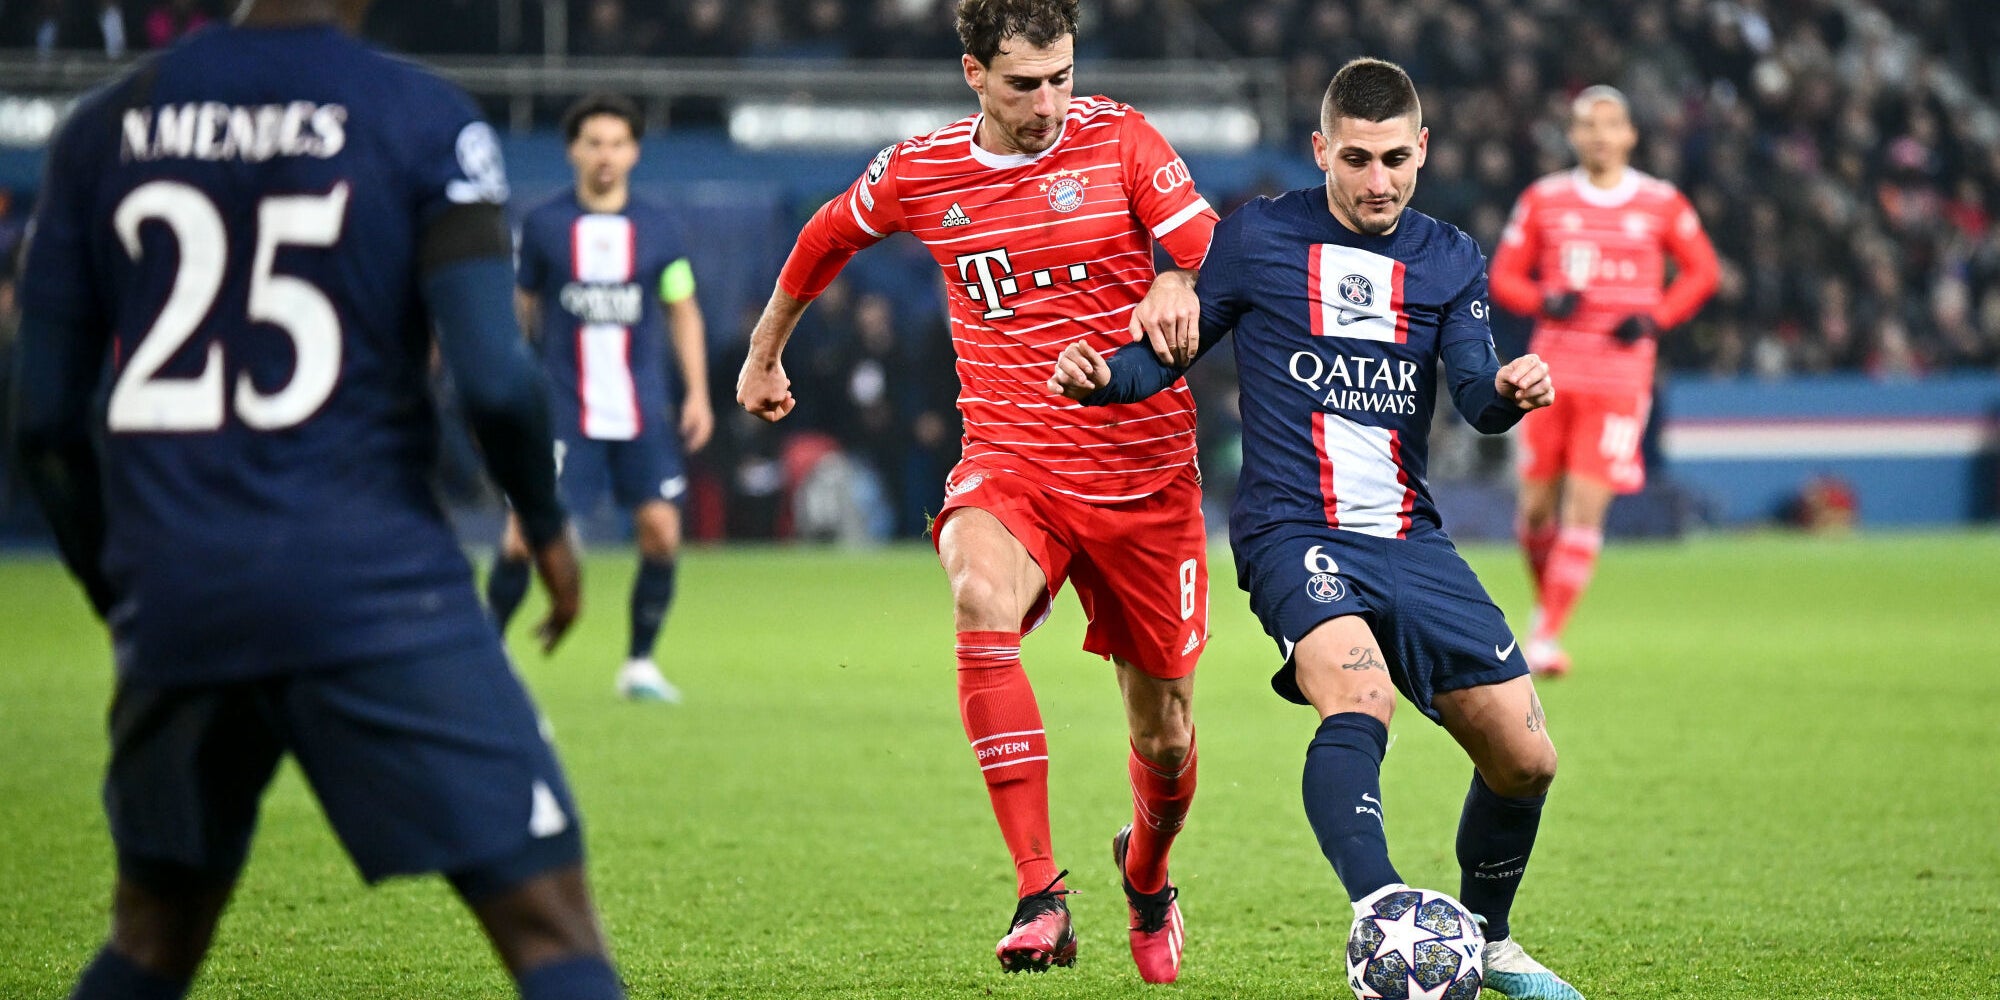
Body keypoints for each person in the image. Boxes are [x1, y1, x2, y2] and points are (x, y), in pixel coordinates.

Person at [8, 3, 625, 998]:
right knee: (551, 927)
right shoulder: (421, 118)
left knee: (152, 936)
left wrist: (126, 589)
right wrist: (545, 526)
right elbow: (498, 381)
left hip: (180, 593)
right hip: (369, 579)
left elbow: (43, 421)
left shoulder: (102, 127)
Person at [1049, 57, 1585, 1000]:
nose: (1378, 181)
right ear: (1320, 151)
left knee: (1526, 759)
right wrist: (1105, 376)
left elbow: (1475, 392)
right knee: (1360, 697)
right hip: (1293, 531)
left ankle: (1488, 941)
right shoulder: (1257, 237)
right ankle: (1383, 912)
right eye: (1356, 159)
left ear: (1423, 150)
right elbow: (1165, 357)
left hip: (1409, 538)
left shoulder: (1450, 257)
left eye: (1394, 160)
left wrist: (1509, 390)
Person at [735, 0, 1215, 982]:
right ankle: (1041, 893)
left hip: (1143, 478)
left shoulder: (1121, 139)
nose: (1047, 104)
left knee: (1163, 735)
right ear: (973, 74)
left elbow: (1217, 252)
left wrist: (1175, 277)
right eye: (1023, 85)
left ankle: (1146, 873)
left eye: (1060, 78)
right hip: (1013, 458)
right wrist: (763, 349)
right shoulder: (921, 170)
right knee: (978, 594)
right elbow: (826, 235)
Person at [486, 92, 713, 704]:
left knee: (661, 532)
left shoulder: (659, 227)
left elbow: (682, 308)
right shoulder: (544, 226)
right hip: (565, 409)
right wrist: (507, 385)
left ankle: (639, 665)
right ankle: (487, 657)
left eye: (617, 143)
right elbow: (520, 310)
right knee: (523, 535)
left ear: (634, 151)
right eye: (594, 143)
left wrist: (697, 393)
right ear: (573, 151)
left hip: (640, 408)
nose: (606, 155)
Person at [1488, 85, 1718, 677]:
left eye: (1611, 123)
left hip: (1619, 379)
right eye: (1588, 124)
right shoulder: (1544, 199)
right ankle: (1546, 614)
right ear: (1573, 135)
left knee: (1584, 509)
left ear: (1630, 135)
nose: (1599, 134)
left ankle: (1545, 636)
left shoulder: (1661, 202)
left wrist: (1657, 316)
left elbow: (1703, 271)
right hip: (1548, 378)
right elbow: (1505, 277)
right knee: (1535, 513)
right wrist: (1544, 299)